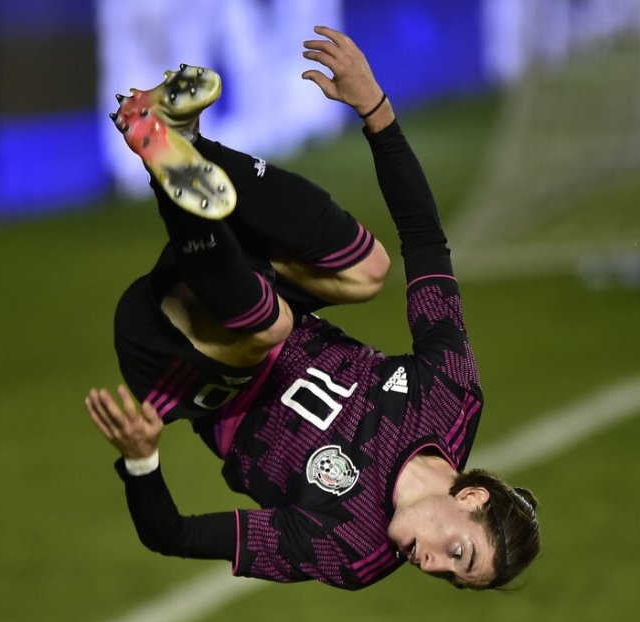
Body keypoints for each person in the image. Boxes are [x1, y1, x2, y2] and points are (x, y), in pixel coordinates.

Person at [87, 26, 541, 591]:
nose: (435, 566)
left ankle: (171, 174)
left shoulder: (349, 550)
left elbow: (171, 535)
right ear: (470, 497)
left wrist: (141, 460)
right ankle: (179, 139)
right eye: (459, 552)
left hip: (176, 354)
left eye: (453, 576)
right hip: (245, 286)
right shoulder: (450, 397)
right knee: (368, 268)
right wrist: (373, 106)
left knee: (270, 324)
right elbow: (425, 242)